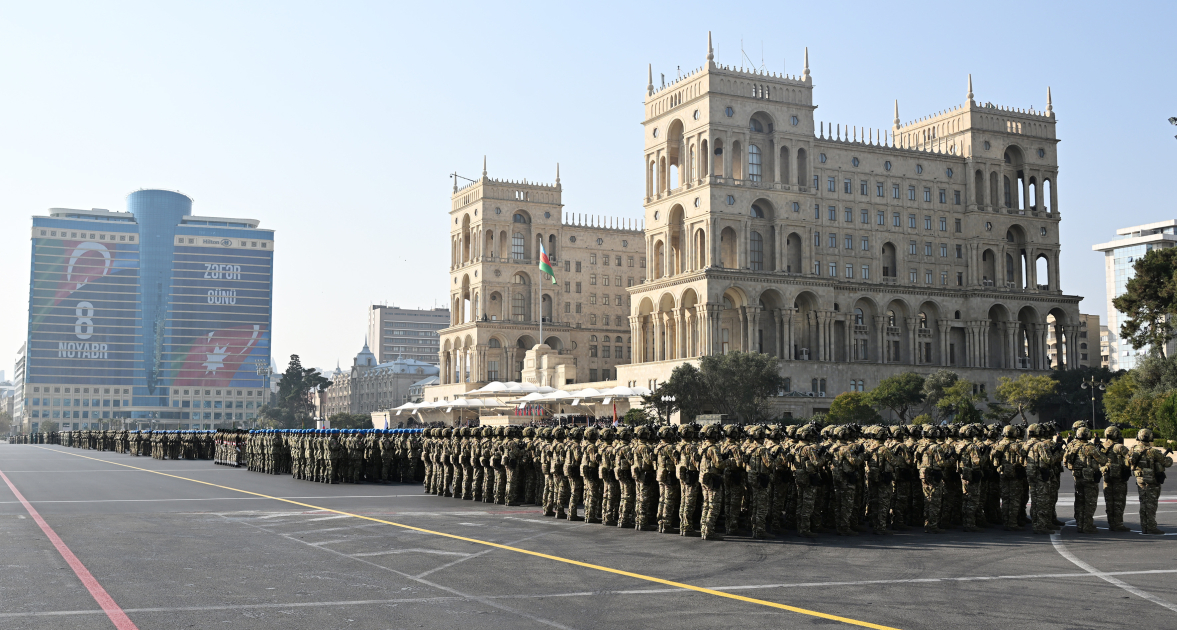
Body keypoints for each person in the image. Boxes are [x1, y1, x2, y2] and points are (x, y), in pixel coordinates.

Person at [1129, 428, 1173, 535]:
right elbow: (1166, 462)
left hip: (1140, 479)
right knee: (1151, 504)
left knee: (1143, 503)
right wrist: (1169, 459)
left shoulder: (1133, 450)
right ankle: (1151, 527)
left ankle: (1144, 526)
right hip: (1152, 481)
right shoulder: (1153, 451)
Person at [1099, 426, 1132, 532]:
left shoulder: (1101, 446)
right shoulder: (1119, 447)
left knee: (1109, 501)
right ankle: (1118, 524)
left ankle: (1111, 523)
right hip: (1119, 478)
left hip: (1106, 476)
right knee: (1119, 501)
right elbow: (1130, 459)